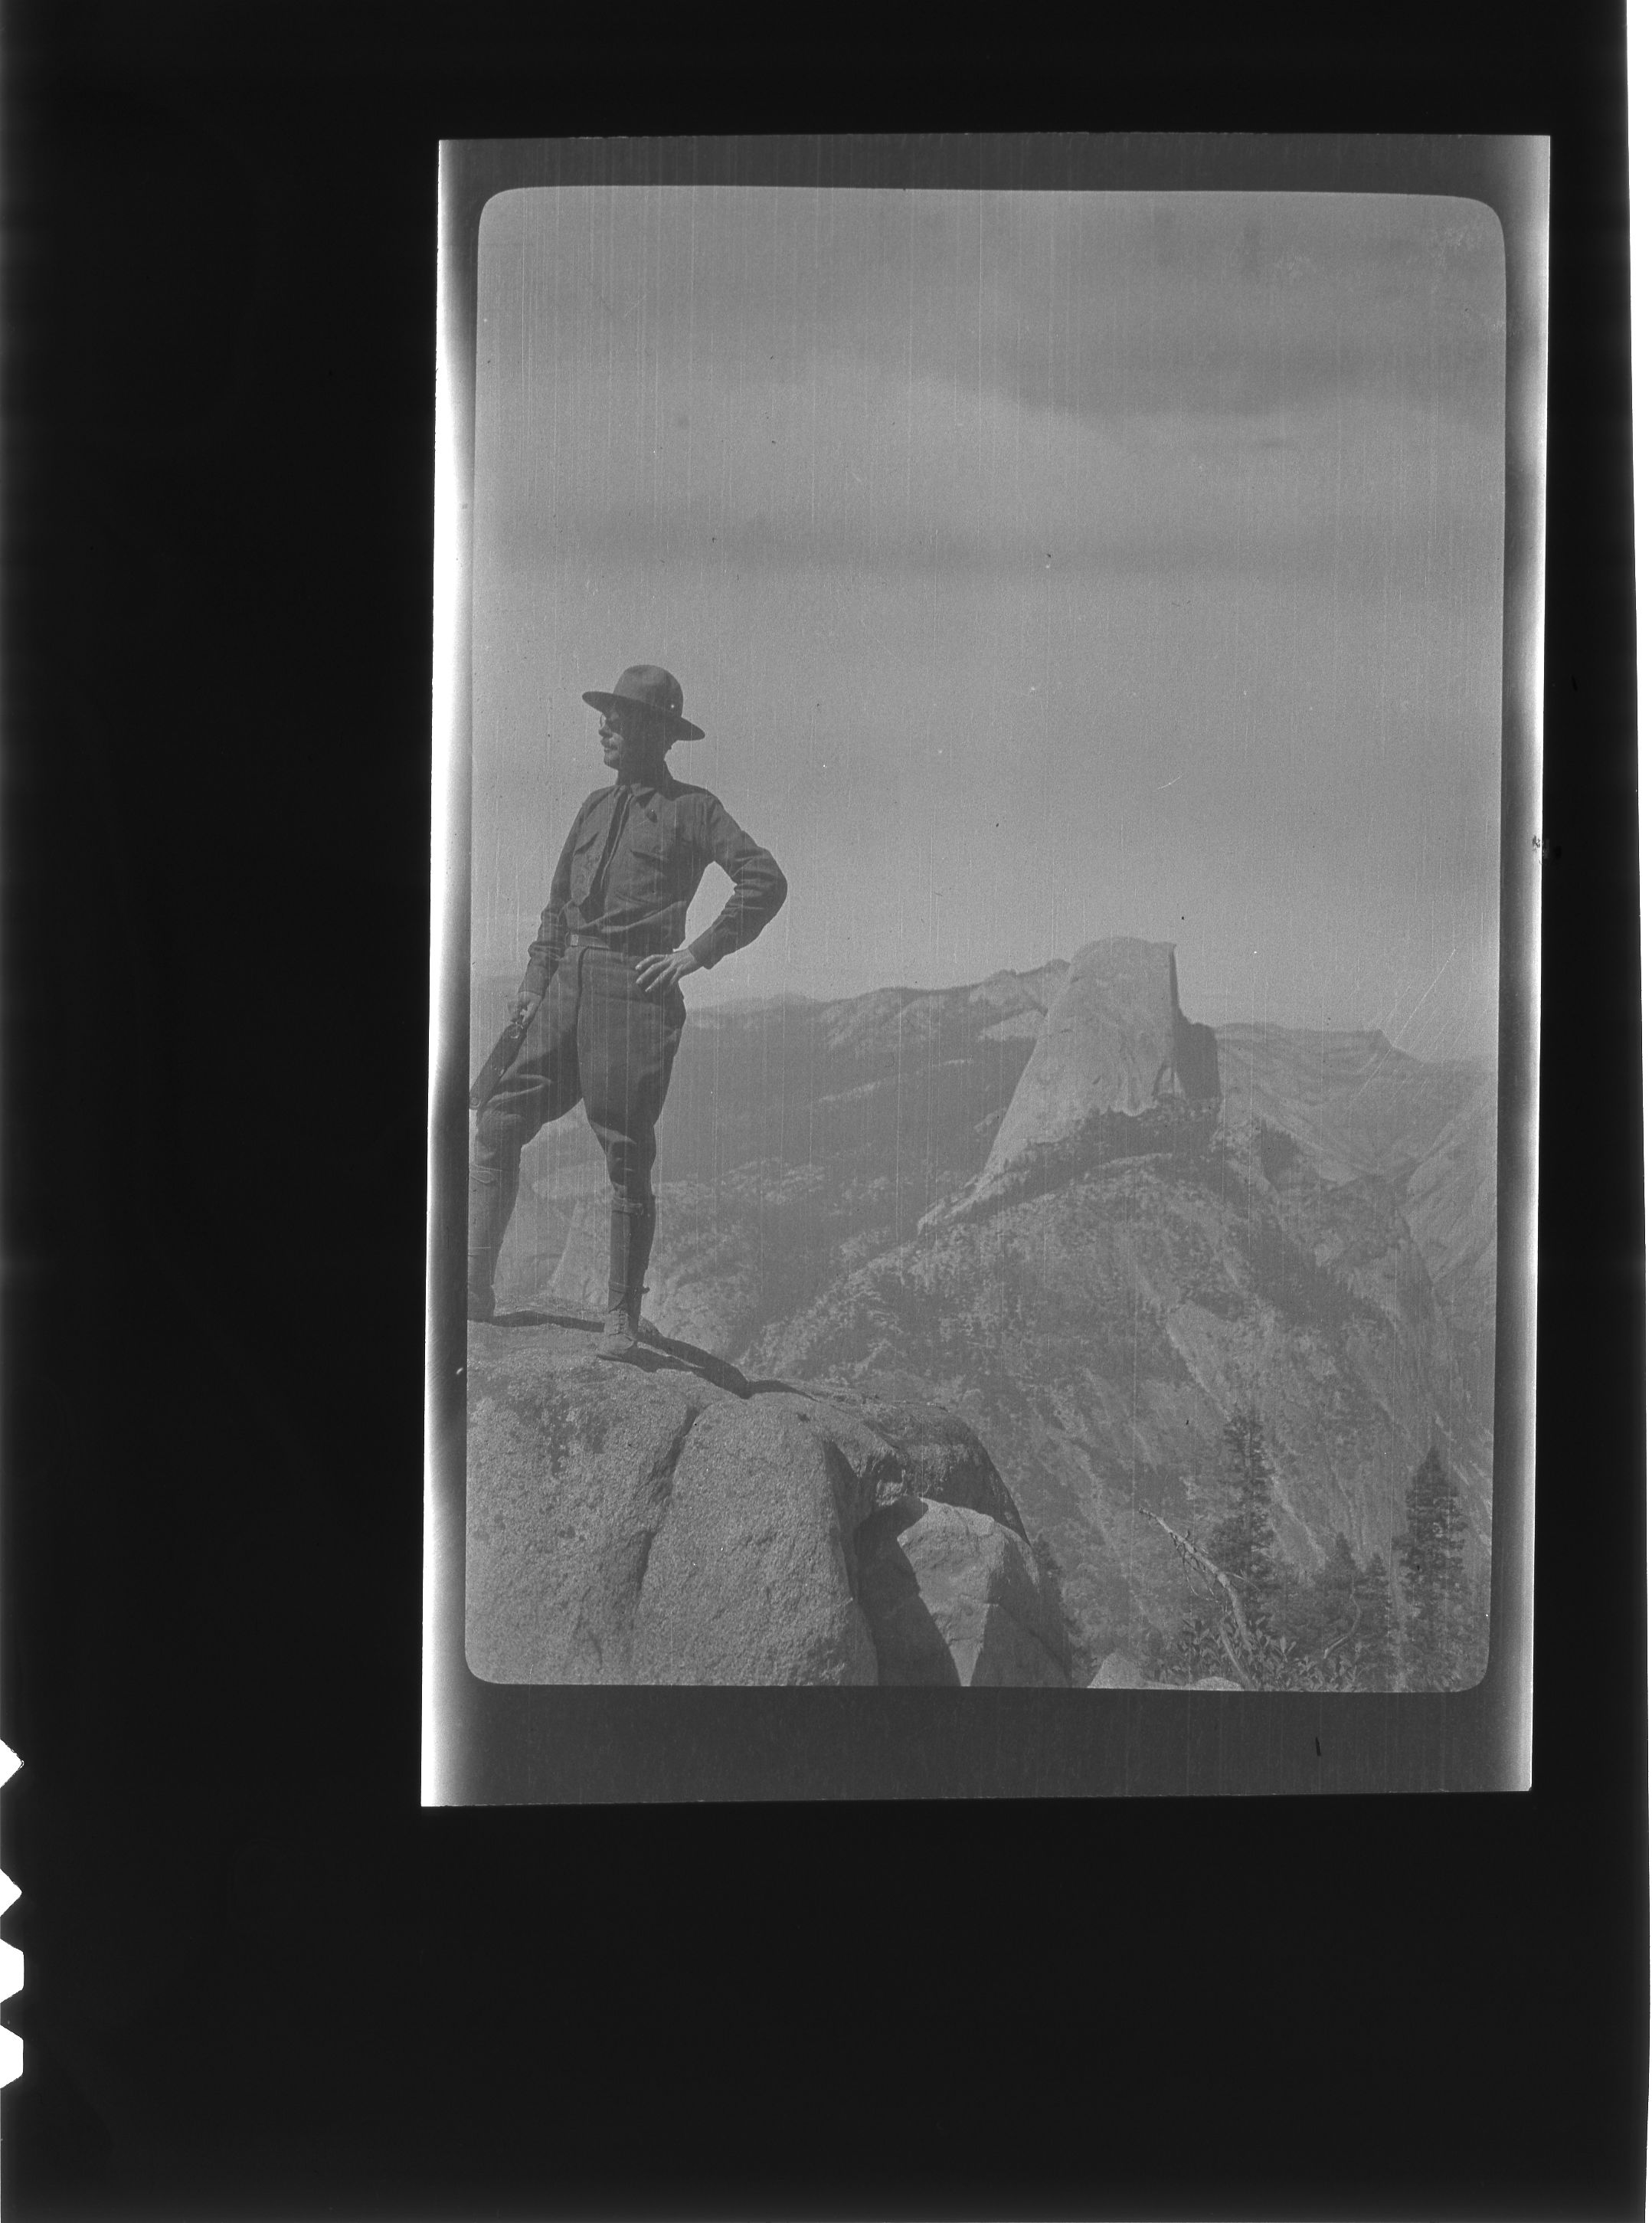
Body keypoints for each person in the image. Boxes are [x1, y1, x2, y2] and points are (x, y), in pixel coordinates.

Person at [468, 663, 787, 1355]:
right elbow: (557, 908)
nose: (605, 728)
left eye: (619, 719)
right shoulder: (592, 807)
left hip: (631, 996)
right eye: (604, 717)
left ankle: (620, 1320)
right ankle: (470, 1291)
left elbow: (763, 881)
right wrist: (532, 986)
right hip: (562, 988)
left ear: (657, 733)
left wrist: (697, 953)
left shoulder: (695, 810)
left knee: (624, 1154)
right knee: (496, 1121)